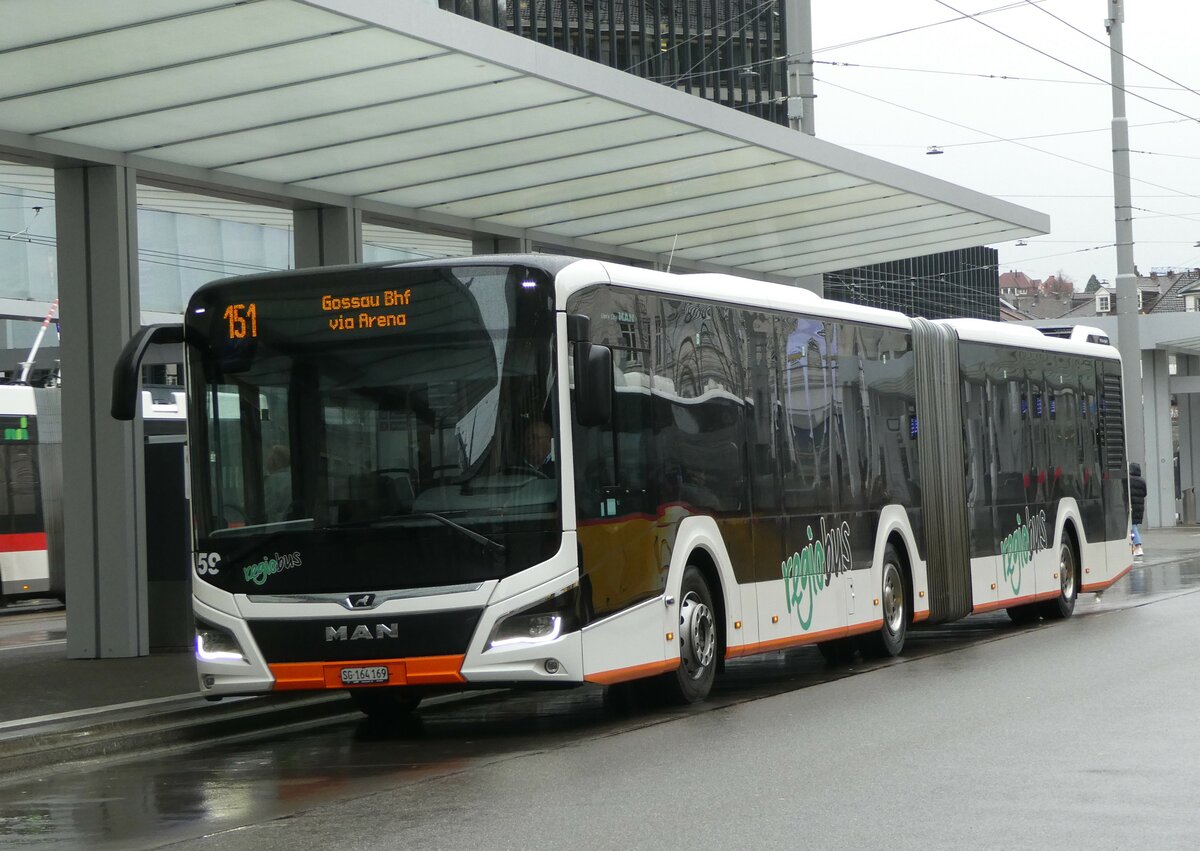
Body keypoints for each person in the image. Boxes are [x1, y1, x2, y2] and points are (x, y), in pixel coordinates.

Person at [264, 444, 292, 521]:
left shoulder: (274, 480)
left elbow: (266, 509)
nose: (266, 461)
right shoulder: (291, 476)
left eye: (268, 457)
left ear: (276, 461)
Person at [1129, 462, 1147, 560]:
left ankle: (1138, 546)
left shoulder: (1129, 480)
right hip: (1139, 507)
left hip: (1131, 506)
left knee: (1132, 526)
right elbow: (1144, 493)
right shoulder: (1142, 481)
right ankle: (1134, 547)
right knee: (1133, 526)